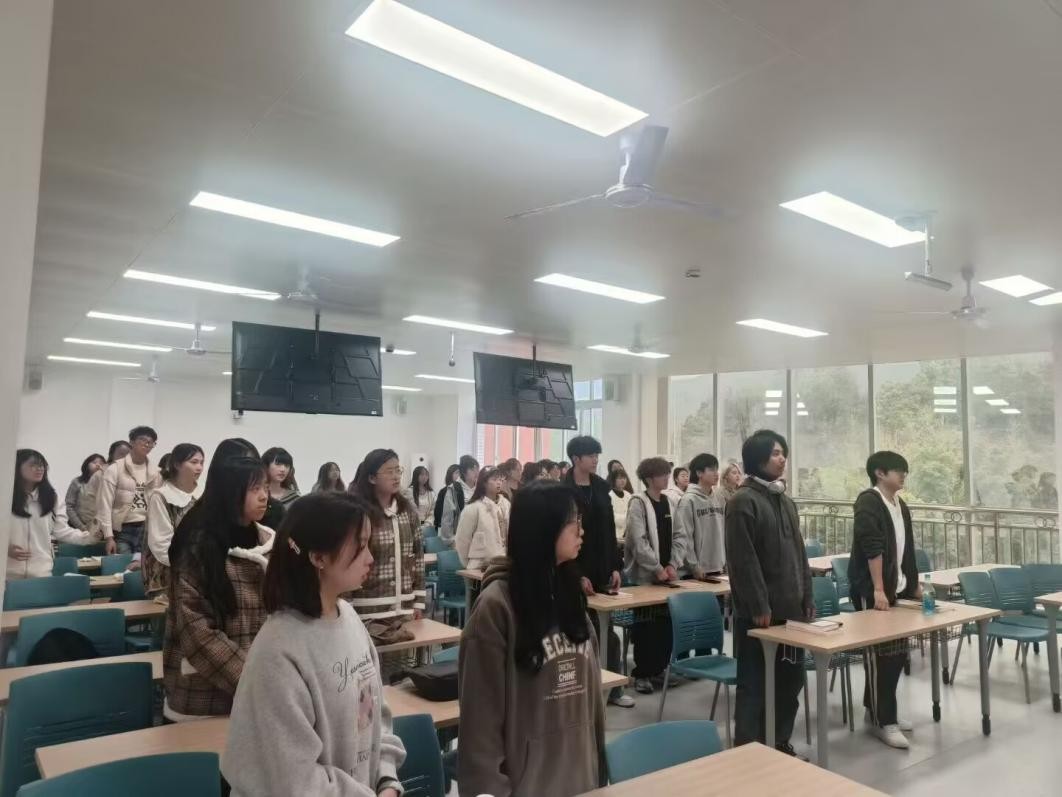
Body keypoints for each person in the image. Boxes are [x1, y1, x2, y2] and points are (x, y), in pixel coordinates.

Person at [222, 492, 405, 797]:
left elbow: (375, 720)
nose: (370, 558)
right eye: (360, 546)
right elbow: (294, 779)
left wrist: (386, 781)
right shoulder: (279, 651)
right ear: (318, 558)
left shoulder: (349, 618)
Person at [458, 481, 606, 797]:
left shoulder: (570, 594)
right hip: (526, 785)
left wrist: (599, 767)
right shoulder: (496, 607)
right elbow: (480, 721)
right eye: (573, 521)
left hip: (581, 778)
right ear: (544, 529)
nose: (581, 531)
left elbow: (592, 697)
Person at [163, 453, 273, 721]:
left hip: (259, 689)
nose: (264, 496)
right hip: (204, 694)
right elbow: (198, 632)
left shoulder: (268, 540)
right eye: (254, 489)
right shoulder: (198, 546)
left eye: (265, 487)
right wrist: (256, 681)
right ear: (229, 492)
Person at [726, 429, 813, 757]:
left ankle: (778, 741)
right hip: (760, 615)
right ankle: (749, 751)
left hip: (792, 612)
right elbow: (742, 560)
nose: (782, 459)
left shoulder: (785, 500)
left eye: (783, 453)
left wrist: (808, 597)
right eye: (775, 453)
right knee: (755, 684)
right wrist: (758, 604)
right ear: (757, 458)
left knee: (790, 680)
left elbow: (799, 554)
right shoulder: (742, 501)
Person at [849, 451, 920, 749]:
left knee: (897, 654)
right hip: (873, 591)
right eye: (897, 470)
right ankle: (883, 721)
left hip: (896, 590)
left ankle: (877, 711)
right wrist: (878, 588)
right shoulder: (869, 501)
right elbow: (872, 547)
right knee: (880, 657)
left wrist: (913, 585)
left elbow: (907, 550)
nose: (903, 475)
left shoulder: (899, 504)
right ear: (880, 473)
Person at [563, 436, 631, 708]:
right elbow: (562, 536)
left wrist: (615, 566)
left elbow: (609, 530)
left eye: (596, 455)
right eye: (591, 455)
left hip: (602, 568)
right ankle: (582, 691)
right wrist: (576, 574)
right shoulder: (563, 490)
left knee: (607, 632)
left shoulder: (602, 487)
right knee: (580, 633)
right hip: (574, 569)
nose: (595, 460)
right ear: (576, 459)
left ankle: (613, 690)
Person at [350, 449, 426, 676]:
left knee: (400, 675)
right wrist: (346, 606)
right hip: (367, 612)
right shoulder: (358, 512)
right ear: (372, 478)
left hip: (403, 611)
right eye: (389, 471)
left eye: (398, 470)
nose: (396, 476)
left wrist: (418, 602)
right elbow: (348, 561)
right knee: (367, 675)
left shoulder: (407, 511)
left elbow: (417, 557)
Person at [623, 456, 679, 694]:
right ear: (649, 478)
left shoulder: (669, 502)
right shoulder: (638, 502)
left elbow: (680, 535)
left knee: (666, 626)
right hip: (646, 577)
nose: (666, 477)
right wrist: (656, 568)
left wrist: (673, 564)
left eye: (667, 473)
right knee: (646, 628)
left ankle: (660, 668)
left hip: (668, 575)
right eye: (661, 474)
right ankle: (642, 673)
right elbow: (638, 540)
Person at [8, 449, 98, 580]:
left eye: (42, 465)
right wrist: (5, 548)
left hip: (41, 572)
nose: (40, 468)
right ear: (16, 467)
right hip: (6, 574)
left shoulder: (52, 498)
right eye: (33, 465)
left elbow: (62, 531)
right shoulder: (5, 497)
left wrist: (89, 537)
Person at [143, 444, 204, 597]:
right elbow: (161, 544)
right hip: (169, 575)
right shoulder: (161, 496)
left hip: (201, 571)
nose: (199, 467)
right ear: (177, 464)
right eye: (194, 462)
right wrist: (190, 565)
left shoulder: (203, 495)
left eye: (202, 462)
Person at [99, 426, 162, 555]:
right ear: (132, 442)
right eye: (143, 440)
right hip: (122, 529)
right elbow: (104, 505)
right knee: (124, 565)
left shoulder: (156, 472)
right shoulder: (115, 469)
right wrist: (109, 537)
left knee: (142, 566)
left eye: (151, 442)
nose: (147, 444)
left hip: (147, 528)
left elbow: (158, 504)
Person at [673, 453, 727, 580]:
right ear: (699, 473)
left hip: (718, 567)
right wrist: (694, 566)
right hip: (696, 572)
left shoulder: (719, 498)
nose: (716, 473)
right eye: (712, 469)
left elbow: (724, 531)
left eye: (717, 469)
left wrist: (725, 561)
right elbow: (685, 537)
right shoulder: (688, 500)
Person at [455, 467, 511, 570]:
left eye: (500, 479)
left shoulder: (506, 504)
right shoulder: (473, 508)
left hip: (504, 563)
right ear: (484, 482)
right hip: (480, 566)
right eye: (494, 479)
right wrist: (468, 565)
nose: (498, 482)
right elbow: (462, 541)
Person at [80, 440, 130, 533]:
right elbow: (87, 504)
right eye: (121, 454)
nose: (124, 458)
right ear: (111, 455)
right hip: (100, 527)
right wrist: (95, 525)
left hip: (125, 527)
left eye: (128, 455)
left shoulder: (131, 476)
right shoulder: (99, 475)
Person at [439, 455, 479, 545]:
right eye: (472, 469)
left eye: (477, 469)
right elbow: (447, 519)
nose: (476, 472)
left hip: (478, 540)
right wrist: (451, 541)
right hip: (460, 539)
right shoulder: (454, 489)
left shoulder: (480, 489)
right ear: (464, 472)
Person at [65, 452, 105, 530]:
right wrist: (82, 527)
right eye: (94, 462)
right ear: (87, 465)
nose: (98, 465)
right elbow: (69, 506)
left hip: (100, 528)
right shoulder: (77, 482)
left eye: (101, 463)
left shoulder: (106, 483)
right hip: (77, 527)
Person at [262, 447, 300, 512]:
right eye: (278, 464)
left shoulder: (295, 499)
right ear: (266, 466)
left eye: (287, 465)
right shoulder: (258, 496)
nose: (283, 469)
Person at [608, 468, 633, 544]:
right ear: (614, 480)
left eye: (624, 478)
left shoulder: (628, 495)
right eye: (619, 478)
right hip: (615, 535)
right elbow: (613, 517)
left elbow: (633, 514)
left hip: (628, 534)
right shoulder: (609, 496)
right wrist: (627, 517)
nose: (623, 480)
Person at [432, 464, 460, 529]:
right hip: (447, 527)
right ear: (450, 474)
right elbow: (438, 511)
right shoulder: (443, 491)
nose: (458, 476)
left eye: (460, 473)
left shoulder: (461, 492)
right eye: (456, 473)